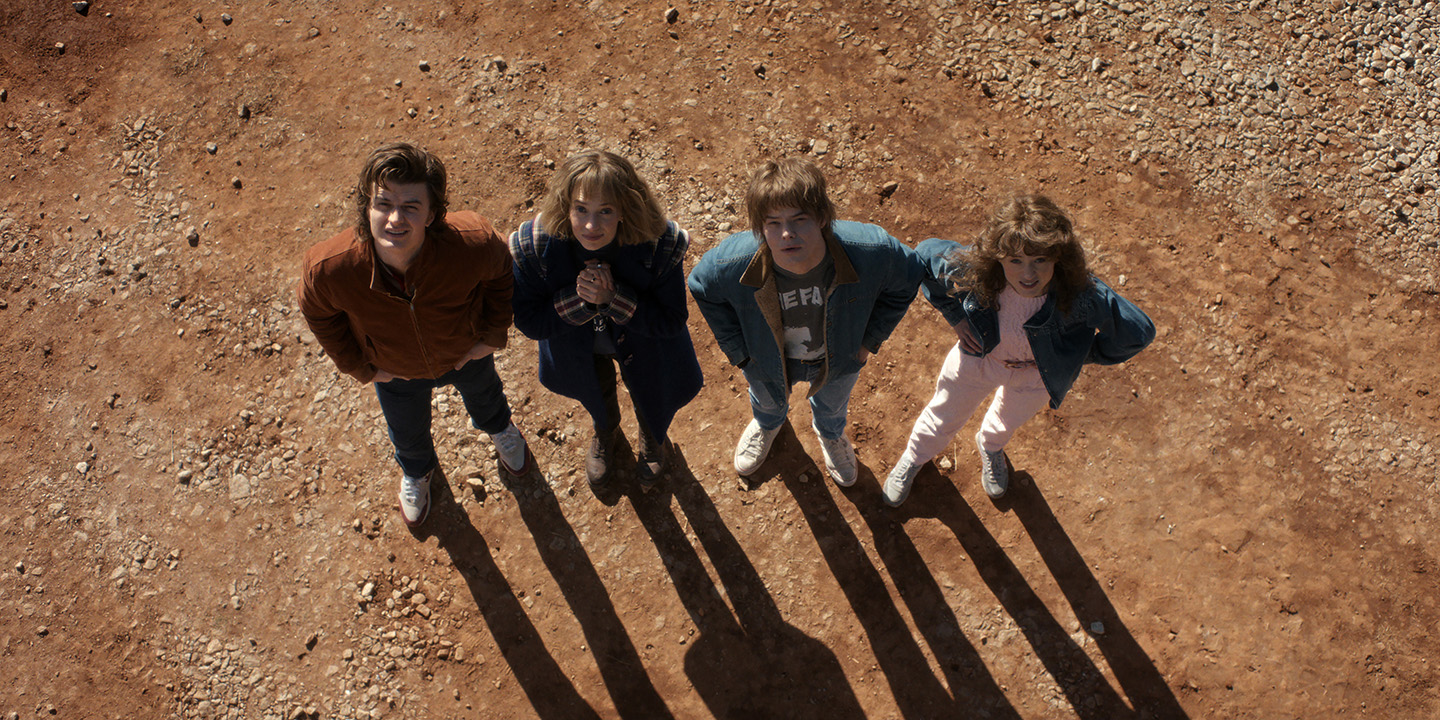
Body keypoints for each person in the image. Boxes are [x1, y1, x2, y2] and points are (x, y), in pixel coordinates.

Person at [297, 142, 531, 528]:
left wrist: (490, 336)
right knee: (406, 431)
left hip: (465, 354)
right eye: (383, 204)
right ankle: (418, 471)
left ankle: (500, 429)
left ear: (433, 213)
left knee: (487, 397)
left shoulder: (471, 243)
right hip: (395, 371)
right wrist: (362, 367)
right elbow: (318, 313)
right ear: (366, 207)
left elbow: (501, 274)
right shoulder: (330, 268)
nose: (394, 220)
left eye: (410, 207)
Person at [882, 194, 1155, 507]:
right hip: (979, 357)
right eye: (1016, 260)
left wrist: (1082, 353)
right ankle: (915, 457)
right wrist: (954, 315)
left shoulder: (1080, 293)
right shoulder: (978, 271)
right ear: (998, 257)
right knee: (944, 413)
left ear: (1058, 258)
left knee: (1007, 421)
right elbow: (925, 257)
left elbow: (1138, 331)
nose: (1028, 274)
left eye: (1040, 259)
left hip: (1036, 374)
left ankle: (991, 447)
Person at [688, 158, 923, 486]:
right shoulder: (731, 263)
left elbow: (908, 279)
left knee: (832, 406)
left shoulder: (873, 251)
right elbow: (701, 288)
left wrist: (868, 342)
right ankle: (768, 423)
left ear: (823, 217)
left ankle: (830, 434)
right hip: (767, 361)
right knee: (767, 401)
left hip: (839, 359)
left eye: (800, 219)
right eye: (773, 223)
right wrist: (740, 353)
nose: (786, 234)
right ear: (760, 227)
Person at [510, 150, 702, 489]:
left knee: (649, 391)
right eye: (581, 209)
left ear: (625, 210)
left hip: (644, 344)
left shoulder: (659, 244)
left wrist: (614, 300)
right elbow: (530, 320)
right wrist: (580, 301)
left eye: (606, 211)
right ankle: (605, 430)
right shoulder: (535, 246)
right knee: (595, 391)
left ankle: (652, 434)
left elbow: (671, 320)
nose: (590, 225)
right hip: (580, 349)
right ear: (566, 205)